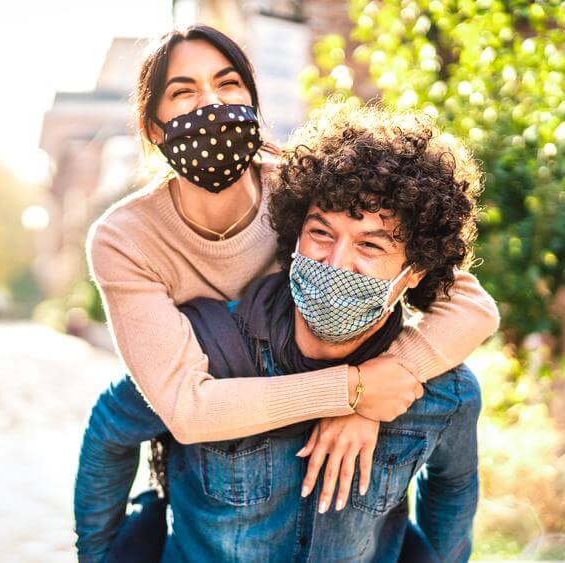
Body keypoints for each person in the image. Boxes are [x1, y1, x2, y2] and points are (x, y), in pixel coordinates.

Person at [76, 102, 484, 562]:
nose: (336, 262)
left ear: (414, 271)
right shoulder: (208, 352)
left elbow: (454, 483)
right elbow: (111, 429)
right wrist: (97, 556)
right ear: (294, 235)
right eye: (321, 233)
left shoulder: (442, 391)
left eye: (370, 245)